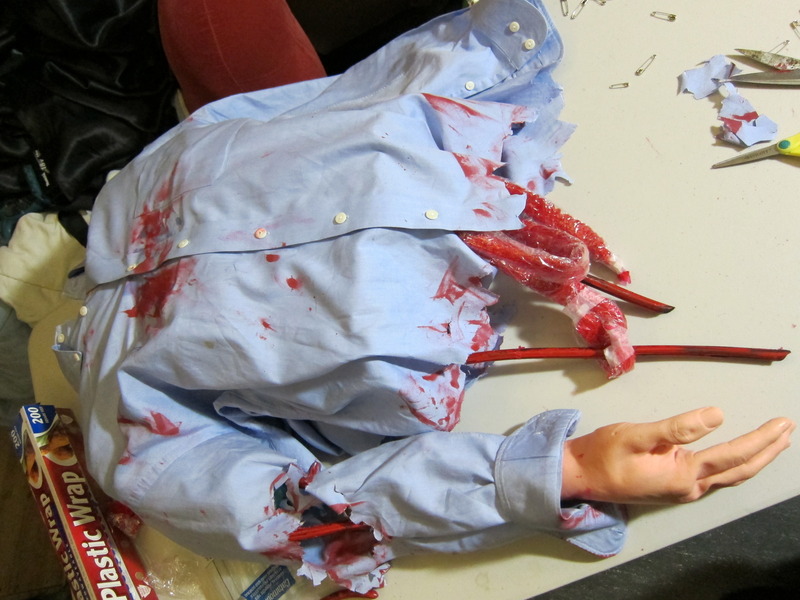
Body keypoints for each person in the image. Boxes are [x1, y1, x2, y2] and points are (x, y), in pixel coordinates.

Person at [54, 0, 793, 595]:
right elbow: (308, 507)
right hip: (494, 355)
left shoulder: (137, 182)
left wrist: (493, 53)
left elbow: (352, 99)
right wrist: (561, 472)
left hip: (567, 163)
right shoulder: (140, 447)